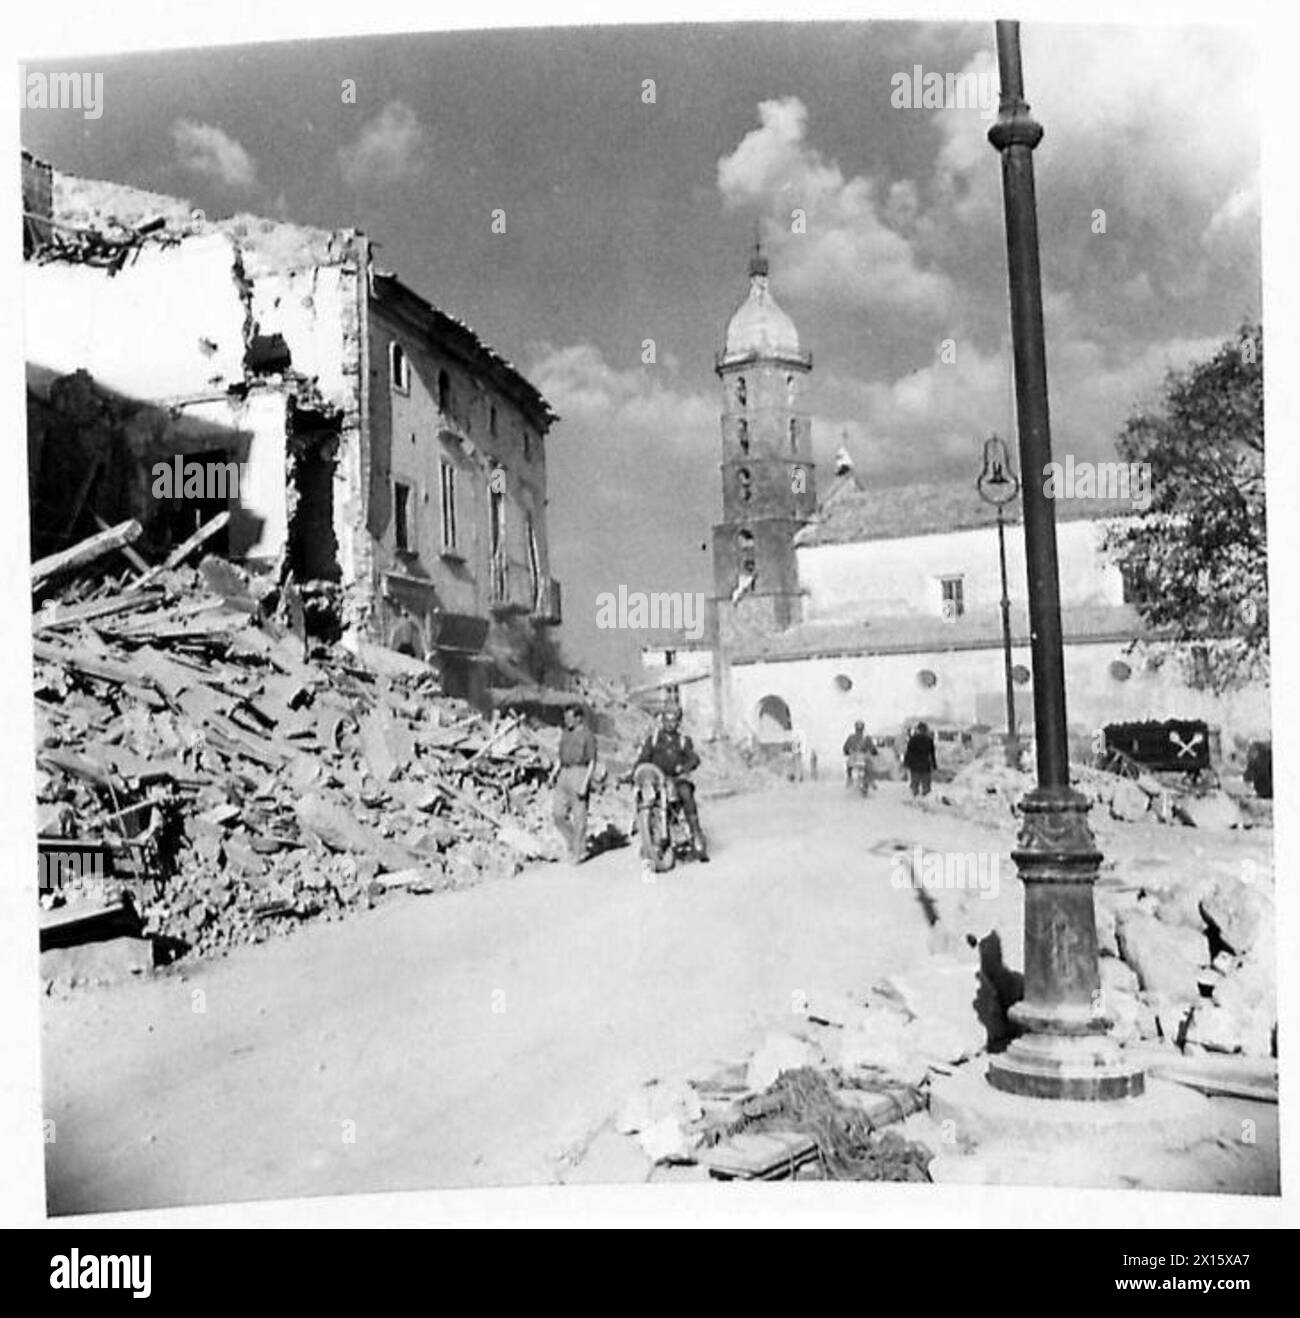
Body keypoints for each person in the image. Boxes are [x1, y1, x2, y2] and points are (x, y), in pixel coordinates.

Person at [635, 705, 709, 861]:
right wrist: (636, 772)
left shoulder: (683, 741)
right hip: (656, 779)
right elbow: (643, 759)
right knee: (643, 798)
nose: (670, 724)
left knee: (685, 792)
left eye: (673, 720)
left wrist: (685, 766)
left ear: (678, 722)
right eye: (667, 720)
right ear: (662, 721)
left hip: (676, 779)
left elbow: (694, 758)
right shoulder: (653, 740)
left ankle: (696, 834)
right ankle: (649, 836)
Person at [551, 703, 598, 863]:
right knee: (558, 815)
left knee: (579, 816)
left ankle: (578, 852)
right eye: (565, 718)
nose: (567, 721)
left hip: (580, 772)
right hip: (564, 773)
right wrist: (554, 772)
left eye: (570, 718)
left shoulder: (587, 735)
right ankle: (574, 843)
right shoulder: (565, 733)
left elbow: (592, 761)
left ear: (579, 718)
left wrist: (586, 782)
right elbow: (560, 755)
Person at [903, 721, 938, 797]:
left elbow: (909, 752)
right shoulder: (929, 740)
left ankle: (914, 799)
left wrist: (906, 763)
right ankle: (925, 799)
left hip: (915, 765)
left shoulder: (912, 739)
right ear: (925, 730)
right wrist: (934, 765)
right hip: (925, 765)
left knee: (915, 784)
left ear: (918, 729)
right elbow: (932, 754)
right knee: (926, 786)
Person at [842, 720, 876, 789]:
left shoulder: (866, 738)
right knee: (849, 765)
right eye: (858, 729)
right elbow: (845, 747)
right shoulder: (852, 737)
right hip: (856, 756)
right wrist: (846, 751)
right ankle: (850, 778)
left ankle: (871, 781)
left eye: (860, 729)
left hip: (862, 756)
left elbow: (872, 747)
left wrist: (874, 751)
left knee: (870, 766)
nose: (859, 731)